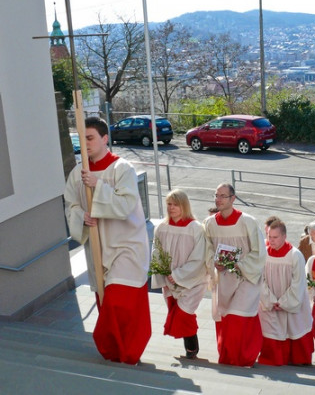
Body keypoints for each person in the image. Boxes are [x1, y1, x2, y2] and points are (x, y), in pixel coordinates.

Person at [64, 117, 151, 364]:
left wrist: (98, 185)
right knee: (106, 301)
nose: (86, 143)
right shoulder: (77, 173)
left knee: (119, 303)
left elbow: (125, 205)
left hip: (126, 246)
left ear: (104, 138)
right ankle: (114, 353)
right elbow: (70, 205)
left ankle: (130, 351)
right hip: (98, 249)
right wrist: (83, 216)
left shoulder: (121, 168)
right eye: (82, 138)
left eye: (90, 137)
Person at [203, 183, 266, 366]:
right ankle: (228, 357)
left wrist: (240, 265)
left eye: (223, 196)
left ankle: (244, 357)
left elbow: (259, 252)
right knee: (226, 319)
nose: (218, 199)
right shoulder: (209, 223)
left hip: (246, 276)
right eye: (216, 195)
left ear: (233, 198)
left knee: (238, 318)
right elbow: (206, 249)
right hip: (223, 278)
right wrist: (213, 262)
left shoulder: (247, 221)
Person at [150, 189, 209, 359]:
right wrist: (163, 272)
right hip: (169, 279)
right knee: (175, 311)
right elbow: (157, 251)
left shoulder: (196, 228)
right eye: (169, 204)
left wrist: (178, 274)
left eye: (175, 204)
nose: (171, 208)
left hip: (192, 280)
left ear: (184, 206)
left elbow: (199, 257)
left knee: (184, 314)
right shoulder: (161, 227)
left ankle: (192, 350)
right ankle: (190, 351)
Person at [258, 220, 314, 366]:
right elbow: (260, 279)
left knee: (294, 327)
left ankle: (298, 360)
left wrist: (284, 302)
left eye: (275, 237)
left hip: (290, 302)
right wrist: (270, 300)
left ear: (284, 236)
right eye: (269, 236)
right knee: (271, 329)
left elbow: (299, 283)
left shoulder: (295, 255)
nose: (271, 240)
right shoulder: (263, 253)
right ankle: (274, 359)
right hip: (270, 301)